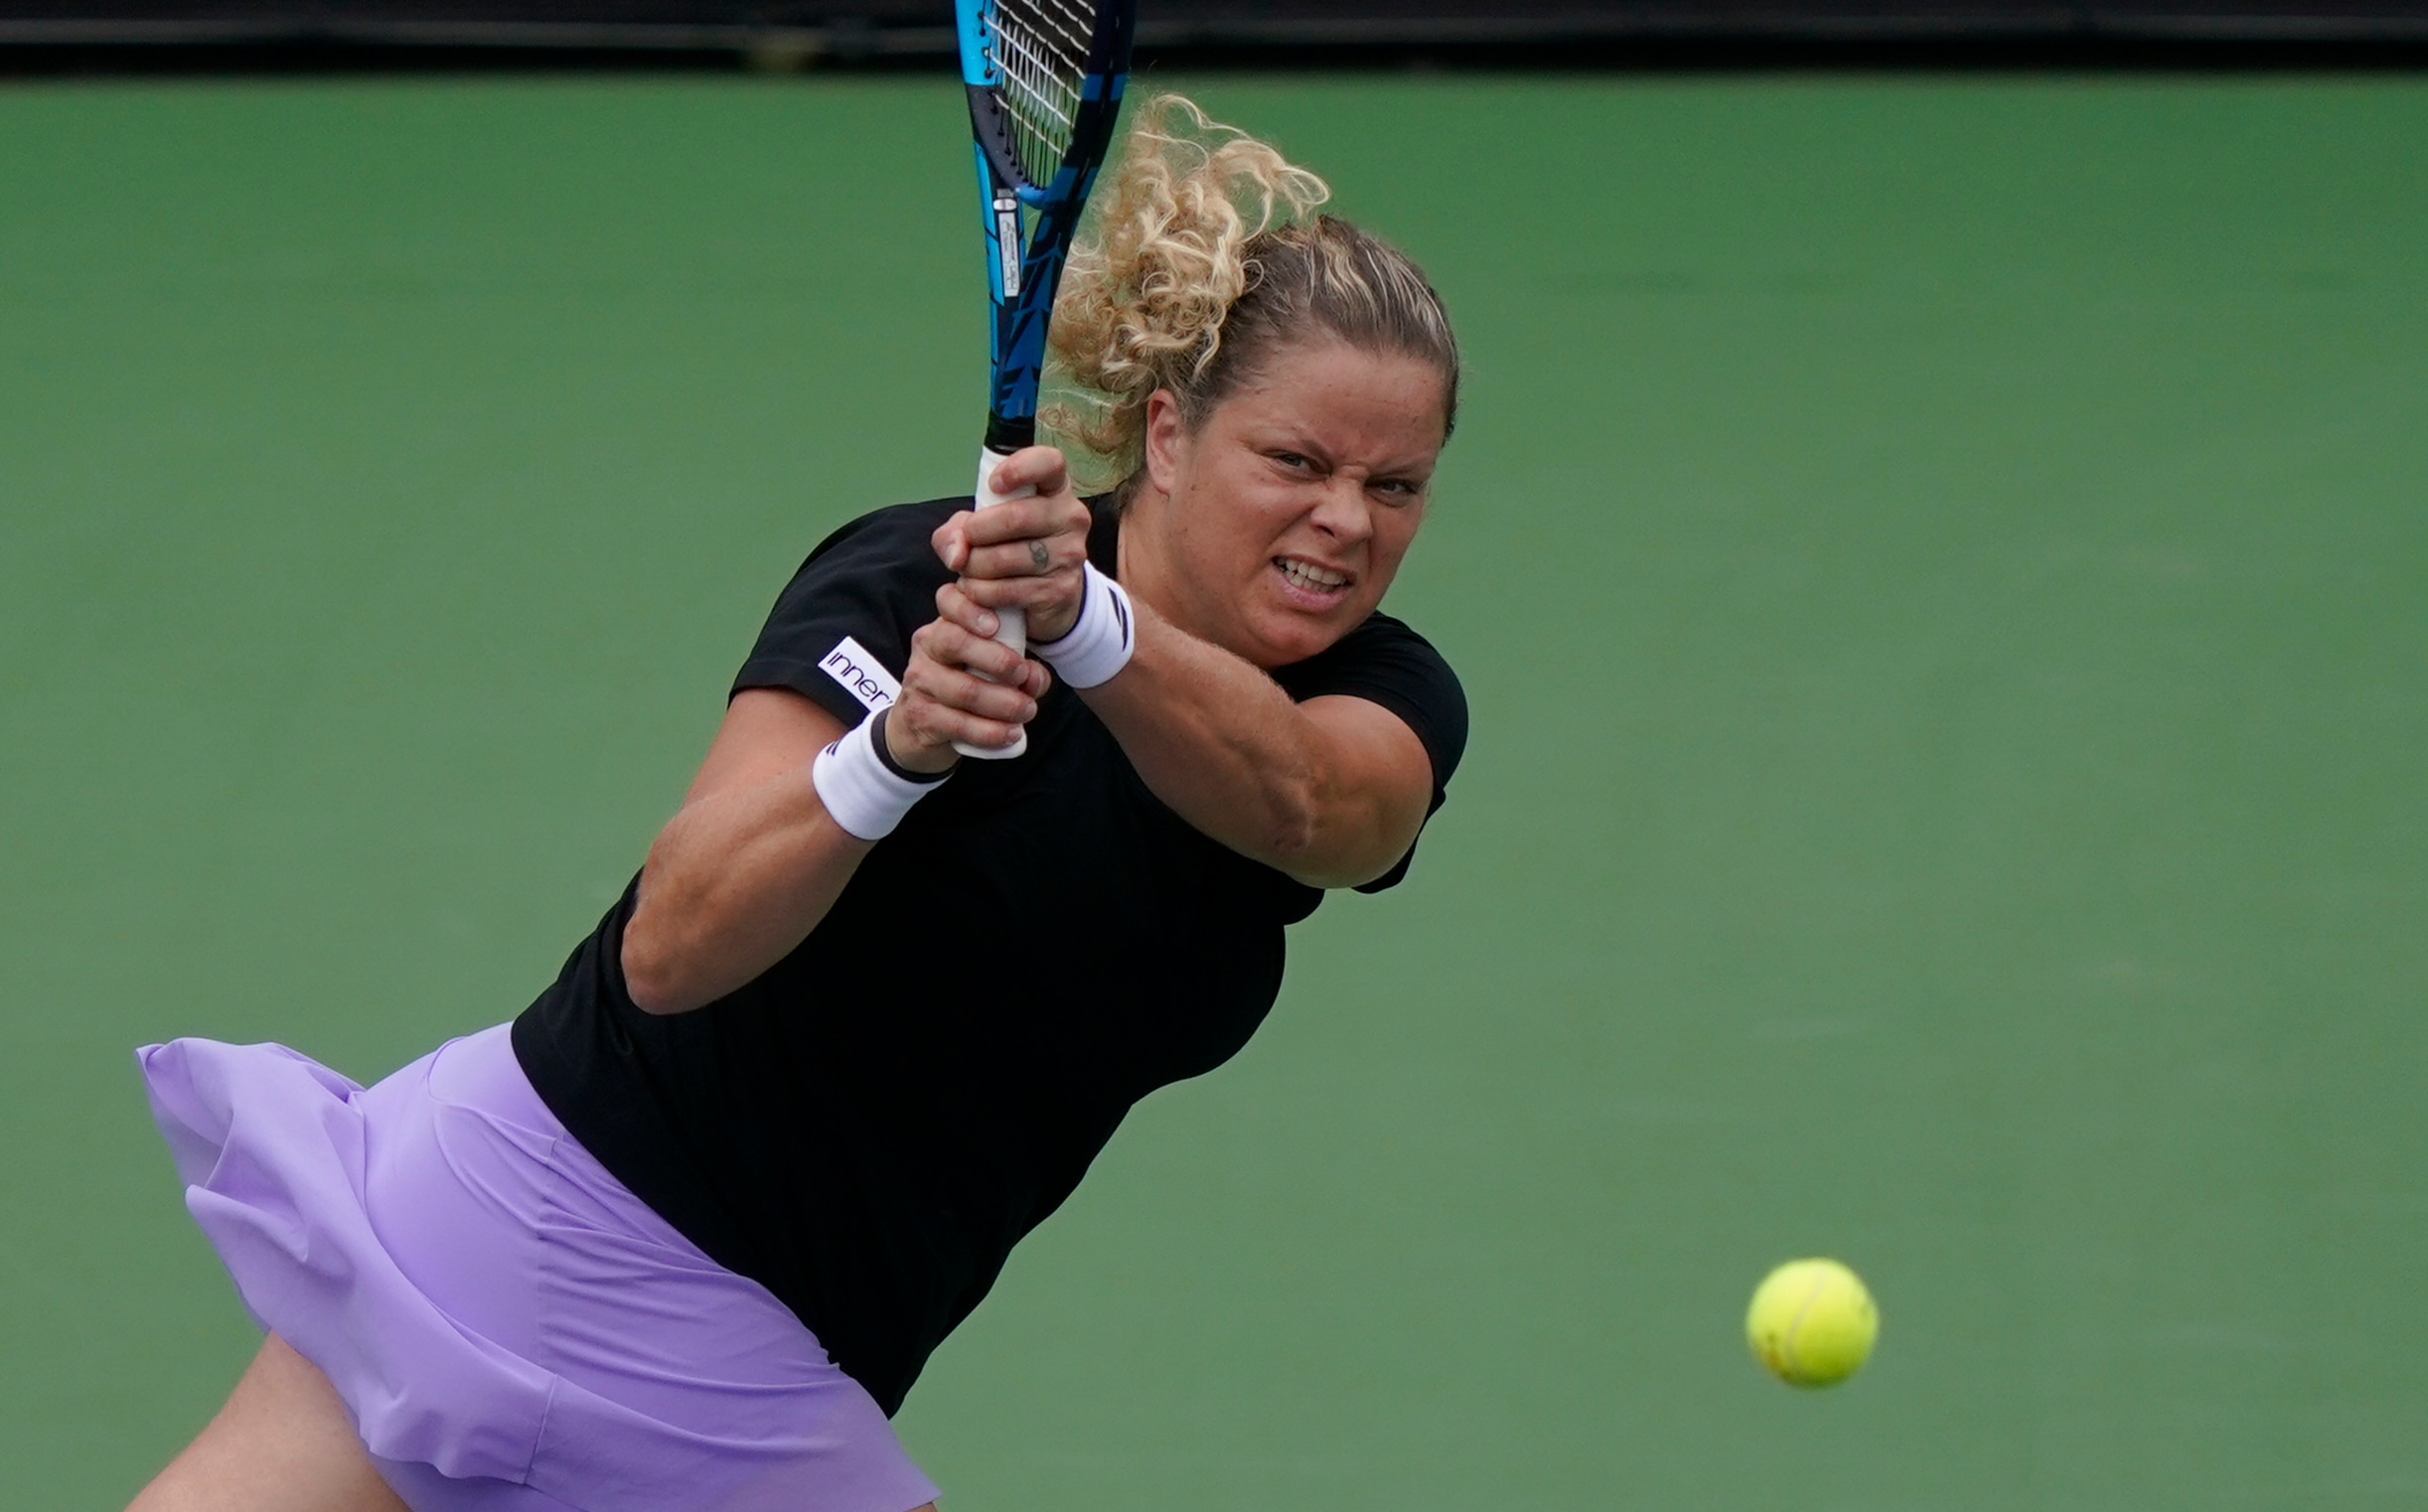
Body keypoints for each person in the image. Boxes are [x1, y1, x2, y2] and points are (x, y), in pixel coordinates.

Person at [127, 99, 1468, 1512]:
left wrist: (1084, 623)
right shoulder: (915, 585)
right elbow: (669, 947)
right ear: (1170, 435)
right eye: (1297, 463)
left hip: (719, 1326)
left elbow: (1313, 806)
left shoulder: (1382, 694)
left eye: (1395, 485)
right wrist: (891, 754)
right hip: (541, 1201)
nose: (1346, 520)